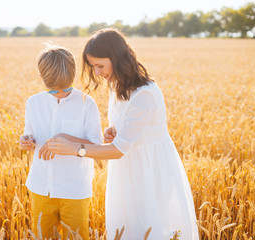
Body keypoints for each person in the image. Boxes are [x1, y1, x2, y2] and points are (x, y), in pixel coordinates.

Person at [41, 29, 199, 239]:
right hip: (127, 168)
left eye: (100, 65)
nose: (97, 73)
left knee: (149, 226)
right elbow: (123, 136)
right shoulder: (116, 86)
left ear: (116, 58)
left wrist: (75, 149)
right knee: (127, 225)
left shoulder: (146, 94)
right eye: (93, 67)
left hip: (149, 170)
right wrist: (113, 133)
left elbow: (117, 151)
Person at [20, 44, 102, 240]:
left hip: (74, 190)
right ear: (42, 79)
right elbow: (29, 134)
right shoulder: (33, 103)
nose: (59, 94)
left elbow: (97, 145)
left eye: (65, 89)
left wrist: (67, 140)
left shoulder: (86, 103)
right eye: (52, 91)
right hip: (40, 187)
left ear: (73, 76)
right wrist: (26, 141)